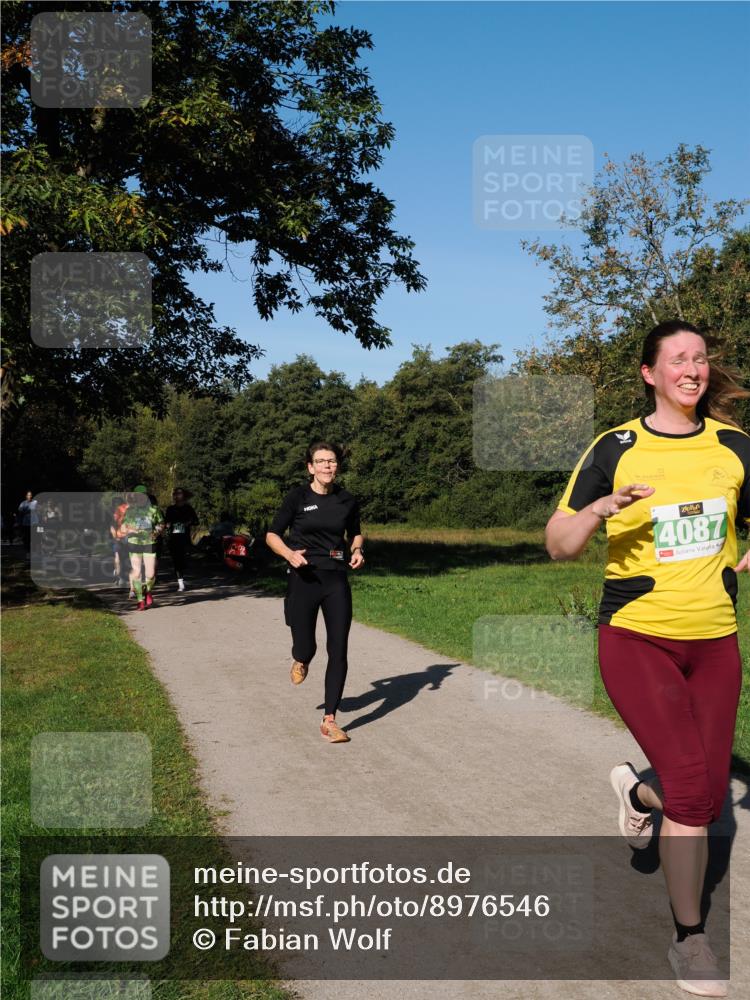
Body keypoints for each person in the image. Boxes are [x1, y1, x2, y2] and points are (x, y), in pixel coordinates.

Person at [545, 321, 749, 998]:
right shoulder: (616, 447)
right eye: (677, 359)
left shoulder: (735, 447)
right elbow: (559, 544)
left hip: (716, 642)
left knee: (707, 792)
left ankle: (637, 790)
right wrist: (600, 508)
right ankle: (690, 939)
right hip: (637, 638)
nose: (692, 368)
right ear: (650, 374)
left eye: (700, 358)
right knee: (695, 794)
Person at [266, 442, 365, 743]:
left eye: (332, 461)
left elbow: (355, 531)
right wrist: (289, 555)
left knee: (339, 648)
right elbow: (272, 534)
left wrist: (358, 548)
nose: (327, 466)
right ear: (310, 467)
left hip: (335, 578)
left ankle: (329, 719)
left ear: (337, 466)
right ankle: (301, 658)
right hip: (303, 577)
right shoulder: (297, 497)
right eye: (320, 461)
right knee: (306, 646)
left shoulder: (347, 500)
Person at [117, 485, 165, 610]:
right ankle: (140, 600)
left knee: (150, 574)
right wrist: (131, 529)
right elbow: (122, 528)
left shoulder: (154, 510)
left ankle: (147, 591)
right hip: (134, 543)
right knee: (137, 572)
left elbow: (161, 524)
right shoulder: (130, 511)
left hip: (149, 543)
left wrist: (155, 532)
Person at [165, 487, 199, 592]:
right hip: (174, 538)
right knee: (176, 560)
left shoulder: (188, 508)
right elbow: (166, 522)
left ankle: (184, 578)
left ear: (184, 496)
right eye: (175, 493)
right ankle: (180, 582)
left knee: (184, 560)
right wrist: (168, 525)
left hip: (184, 538)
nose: (177, 495)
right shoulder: (170, 509)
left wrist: (188, 523)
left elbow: (196, 521)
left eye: (179, 493)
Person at [110, 495, 129, 588]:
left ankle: (120, 576)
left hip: (120, 537)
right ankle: (121, 576)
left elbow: (112, 527)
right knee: (121, 557)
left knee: (119, 557)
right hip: (124, 537)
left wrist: (115, 538)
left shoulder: (114, 513)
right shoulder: (126, 510)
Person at [17, 490, 38, 558]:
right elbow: (20, 513)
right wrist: (19, 522)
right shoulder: (23, 503)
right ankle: (28, 552)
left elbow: (39, 510)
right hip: (26, 523)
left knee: (35, 538)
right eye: (28, 495)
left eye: (31, 495)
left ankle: (34, 551)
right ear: (26, 496)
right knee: (27, 538)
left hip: (34, 522)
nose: (30, 496)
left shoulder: (35, 502)